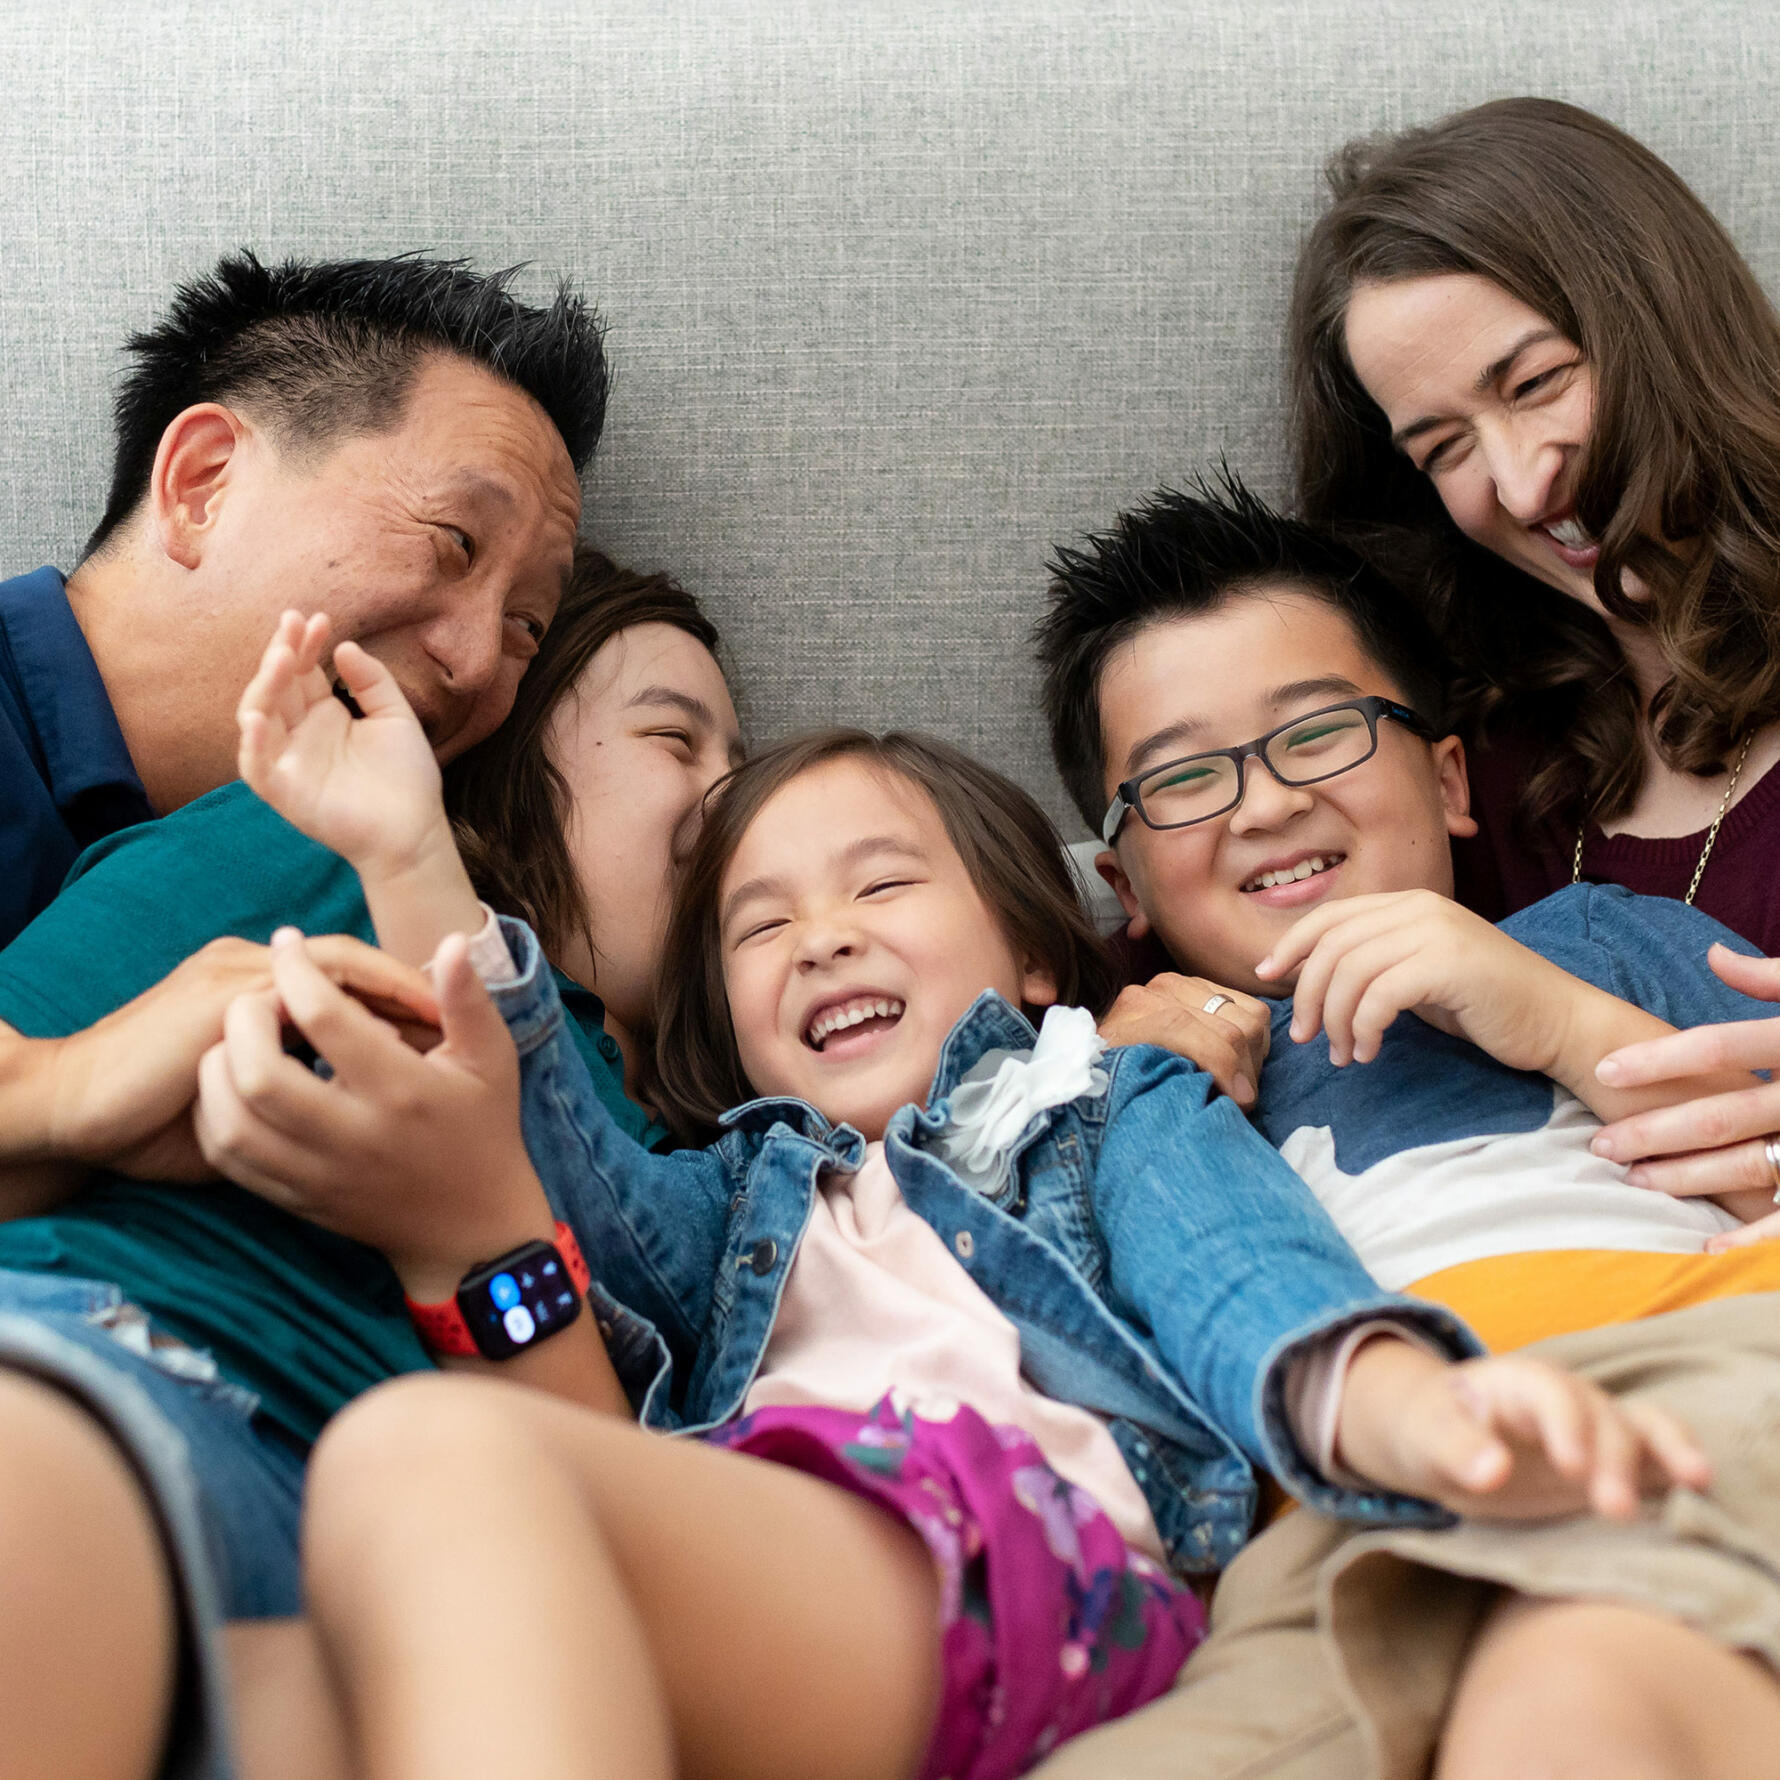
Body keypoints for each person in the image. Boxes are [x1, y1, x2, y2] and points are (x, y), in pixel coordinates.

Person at [193, 630, 1702, 1780]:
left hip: (1032, 1561)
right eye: (760, 925)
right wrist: (406, 851)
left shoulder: (1094, 1102)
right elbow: (546, 1149)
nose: (821, 939)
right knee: (264, 1686)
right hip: (784, 1555)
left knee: (429, 1451)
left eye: (880, 887)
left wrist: (1409, 1409)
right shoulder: (740, 1195)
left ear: (1038, 956)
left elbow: (1234, 1270)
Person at [1033, 476, 1780, 1779]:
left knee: (1566, 1706)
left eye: (1318, 732)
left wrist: (1551, 1013)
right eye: (1184, 779)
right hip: (1349, 1527)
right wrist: (1108, 1087)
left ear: (1446, 780)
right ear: (1123, 885)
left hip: (1684, 1375)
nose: (1264, 803)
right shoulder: (1127, 1084)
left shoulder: (1594, 936)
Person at [0, 544, 719, 1780]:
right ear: (507, 750)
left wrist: (468, 1238)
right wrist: (74, 1088)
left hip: (363, 1569)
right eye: (678, 740)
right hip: (102, 1363)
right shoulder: (304, 853)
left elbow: (606, 1522)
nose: (729, 797)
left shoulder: (694, 1175)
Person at [0, 246, 605, 1177]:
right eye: (453, 541)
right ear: (202, 484)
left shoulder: (401, 903)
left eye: (527, 625)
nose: (478, 661)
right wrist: (60, 1089)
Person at [1288, 97, 1780, 957]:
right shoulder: (1469, 770)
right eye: (1445, 448)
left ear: (1669, 323)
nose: (1520, 490)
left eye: (1536, 383)